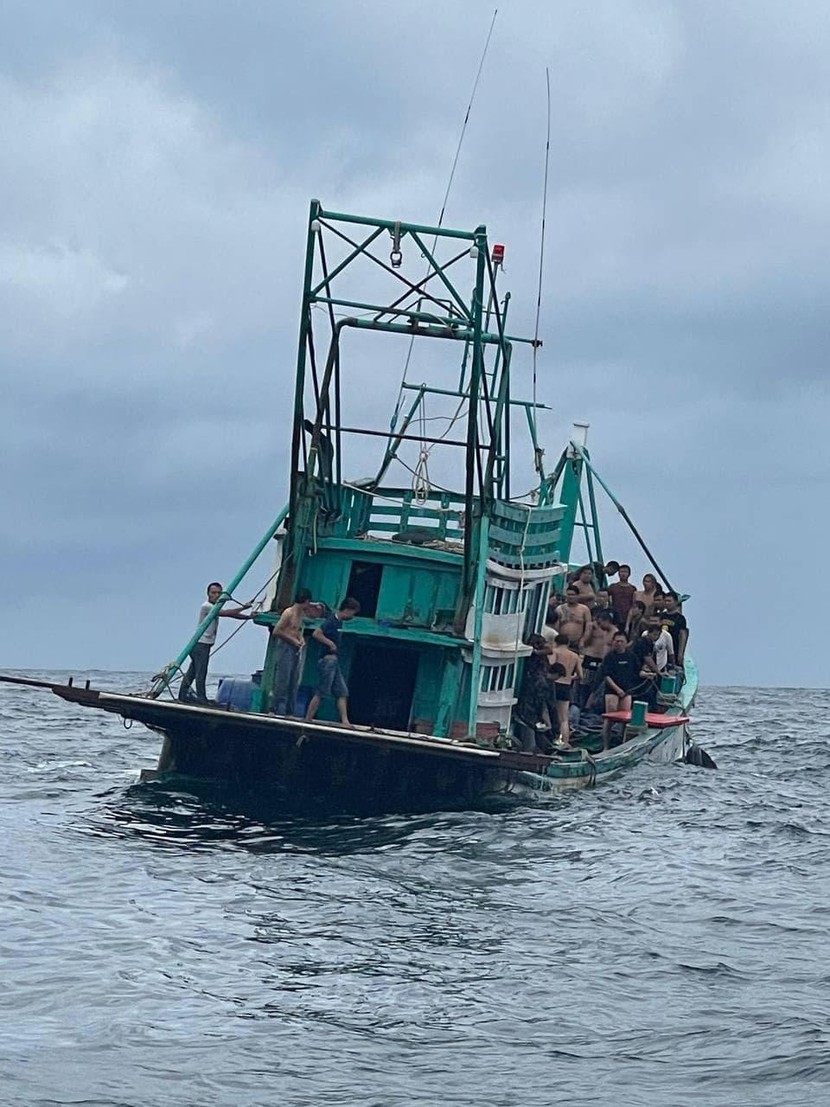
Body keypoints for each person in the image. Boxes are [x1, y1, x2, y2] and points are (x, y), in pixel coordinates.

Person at [178, 583, 252, 703]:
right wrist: (244, 607)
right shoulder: (206, 606)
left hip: (204, 645)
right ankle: (201, 698)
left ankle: (182, 695)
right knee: (201, 672)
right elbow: (226, 613)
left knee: (192, 671)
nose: (216, 595)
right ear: (208, 594)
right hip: (200, 644)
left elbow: (232, 615)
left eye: (219, 593)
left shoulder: (215, 607)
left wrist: (248, 617)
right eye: (213, 593)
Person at [305, 597, 361, 725]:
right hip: (328, 661)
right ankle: (308, 718)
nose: (353, 616)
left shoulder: (339, 622)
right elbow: (316, 633)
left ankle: (345, 721)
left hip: (334, 662)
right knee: (321, 691)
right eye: (353, 612)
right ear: (347, 610)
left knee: (342, 691)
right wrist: (331, 644)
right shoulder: (332, 621)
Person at [271, 589, 320, 716]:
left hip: (295, 647)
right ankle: (273, 708)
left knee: (294, 680)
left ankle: (289, 712)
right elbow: (277, 631)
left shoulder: (301, 614)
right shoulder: (289, 613)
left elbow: (297, 630)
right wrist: (292, 640)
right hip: (285, 646)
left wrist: (300, 639)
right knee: (283, 678)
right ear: (306, 601)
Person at [598, 632, 641, 748]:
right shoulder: (609, 657)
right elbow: (606, 676)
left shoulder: (631, 656)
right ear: (613, 642)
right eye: (617, 641)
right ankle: (605, 745)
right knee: (610, 718)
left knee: (625, 718)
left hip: (627, 691)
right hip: (612, 690)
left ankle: (622, 743)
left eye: (622, 641)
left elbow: (638, 671)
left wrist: (647, 674)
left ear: (626, 643)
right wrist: (617, 690)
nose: (619, 644)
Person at [549, 634, 583, 747]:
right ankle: (565, 742)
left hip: (554, 684)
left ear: (556, 642)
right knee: (564, 718)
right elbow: (580, 675)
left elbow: (551, 666)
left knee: (550, 713)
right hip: (566, 686)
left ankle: (552, 740)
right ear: (568, 643)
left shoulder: (555, 651)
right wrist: (569, 677)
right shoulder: (574, 656)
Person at [580, 610, 616, 707]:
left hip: (603, 661)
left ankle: (590, 706)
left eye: (600, 622)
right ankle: (581, 704)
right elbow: (583, 641)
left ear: (607, 621)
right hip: (590, 656)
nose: (599, 625)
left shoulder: (615, 633)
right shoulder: (593, 627)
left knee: (597, 685)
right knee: (584, 682)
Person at [552, 586, 592, 651]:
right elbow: (555, 627)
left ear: (577, 596)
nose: (570, 597)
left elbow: (588, 627)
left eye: (573, 595)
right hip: (562, 642)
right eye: (568, 594)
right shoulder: (560, 609)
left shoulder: (584, 609)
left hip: (577, 642)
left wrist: (583, 640)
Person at [658, 592, 689, 667]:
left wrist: (681, 653)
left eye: (669, 601)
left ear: (675, 602)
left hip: (674, 647)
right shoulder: (661, 615)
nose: (667, 603)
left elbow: (683, 635)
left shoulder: (680, 618)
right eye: (665, 601)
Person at [608, 563, 637, 629]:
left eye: (625, 572)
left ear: (629, 574)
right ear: (618, 573)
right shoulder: (613, 587)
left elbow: (634, 604)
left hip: (628, 618)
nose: (623, 574)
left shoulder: (632, 589)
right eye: (621, 572)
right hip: (615, 618)